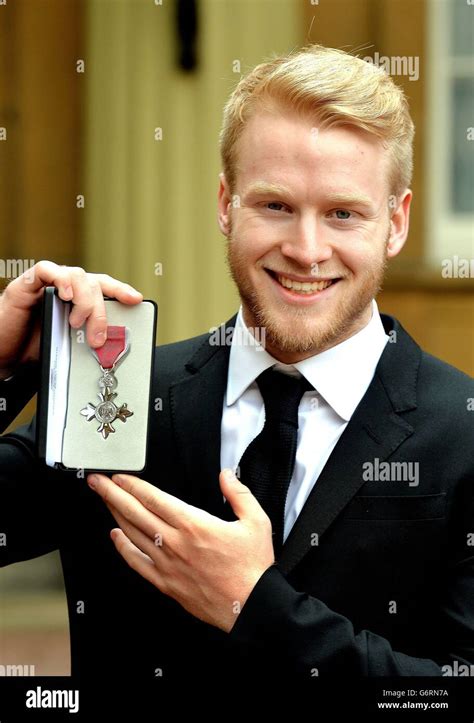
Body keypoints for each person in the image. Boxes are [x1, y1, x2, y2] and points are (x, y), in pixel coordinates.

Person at [0, 44, 473, 691]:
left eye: (342, 213)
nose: (307, 249)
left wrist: (256, 609)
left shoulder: (464, 434)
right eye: (275, 205)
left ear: (396, 222)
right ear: (227, 204)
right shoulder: (120, 392)